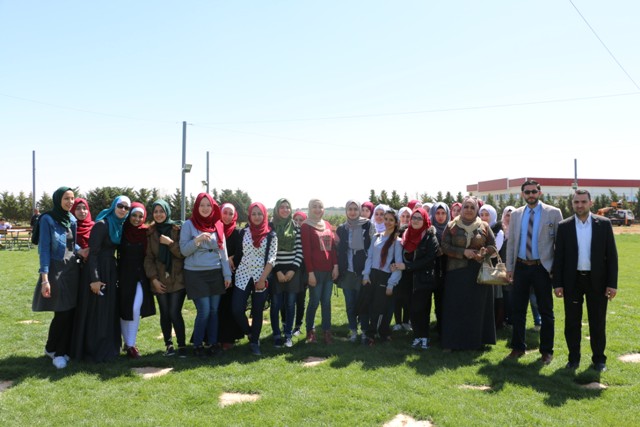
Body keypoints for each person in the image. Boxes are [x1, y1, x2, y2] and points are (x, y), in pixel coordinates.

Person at [553, 189, 618, 372]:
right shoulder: (564, 226)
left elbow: (612, 256)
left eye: (583, 201)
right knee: (572, 322)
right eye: (576, 202)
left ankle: (599, 360)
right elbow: (559, 258)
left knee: (597, 322)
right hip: (572, 281)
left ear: (591, 203)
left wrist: (612, 284)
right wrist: (558, 283)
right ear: (572, 204)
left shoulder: (603, 224)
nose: (579, 205)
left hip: (597, 281)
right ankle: (573, 359)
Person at [505, 179, 562, 364]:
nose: (531, 195)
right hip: (521, 267)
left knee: (546, 311)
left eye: (534, 191)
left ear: (540, 192)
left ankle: (546, 351)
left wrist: (555, 269)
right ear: (523, 194)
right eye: (527, 192)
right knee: (518, 310)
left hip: (542, 268)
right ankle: (517, 347)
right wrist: (510, 268)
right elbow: (512, 242)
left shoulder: (553, 213)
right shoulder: (516, 214)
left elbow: (560, 244)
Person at [73, 195, 130, 362]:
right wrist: (95, 279)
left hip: (110, 271)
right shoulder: (102, 225)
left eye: (126, 208)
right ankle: (94, 351)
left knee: (107, 310)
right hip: (97, 271)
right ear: (114, 206)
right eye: (120, 206)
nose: (123, 210)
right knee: (96, 311)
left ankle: (108, 349)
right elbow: (93, 254)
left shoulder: (119, 225)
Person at [440, 196, 497, 351]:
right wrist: (463, 252)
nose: (469, 210)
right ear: (461, 208)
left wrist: (482, 253)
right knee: (455, 308)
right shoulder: (452, 225)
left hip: (478, 273)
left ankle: (476, 342)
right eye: (466, 207)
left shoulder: (484, 226)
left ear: (477, 209)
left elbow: (493, 246)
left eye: (472, 207)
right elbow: (444, 246)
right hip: (456, 272)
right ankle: (452, 342)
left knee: (476, 308)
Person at [32, 187, 79, 369]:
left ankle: (53, 348)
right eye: (66, 198)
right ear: (58, 199)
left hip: (72, 270)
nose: (70, 202)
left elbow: (72, 245)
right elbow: (44, 249)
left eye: (72, 198)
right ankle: (57, 353)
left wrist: (82, 250)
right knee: (62, 311)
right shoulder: (48, 219)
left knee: (70, 311)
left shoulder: (71, 219)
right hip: (55, 270)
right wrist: (45, 279)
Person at [180, 193, 232, 357]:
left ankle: (213, 343)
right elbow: (184, 251)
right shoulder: (188, 225)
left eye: (208, 205)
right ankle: (197, 345)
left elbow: (223, 251)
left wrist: (227, 274)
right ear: (196, 207)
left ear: (213, 207)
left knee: (214, 310)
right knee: (204, 311)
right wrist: (197, 240)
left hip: (215, 272)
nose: (205, 208)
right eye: (201, 205)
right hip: (195, 273)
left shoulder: (218, 224)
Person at [232, 202, 277, 355]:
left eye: (260, 214)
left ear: (264, 215)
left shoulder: (271, 235)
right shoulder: (243, 233)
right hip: (243, 275)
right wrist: (231, 259)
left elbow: (271, 259)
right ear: (249, 216)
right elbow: (239, 253)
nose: (257, 217)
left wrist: (263, 279)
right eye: (254, 214)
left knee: (257, 311)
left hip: (261, 277)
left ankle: (255, 342)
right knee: (237, 309)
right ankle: (249, 332)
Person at [144, 200, 187, 357]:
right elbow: (149, 258)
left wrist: (170, 243)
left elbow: (183, 253)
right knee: (165, 312)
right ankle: (169, 345)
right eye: (156, 211)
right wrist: (153, 279)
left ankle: (182, 345)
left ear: (167, 212)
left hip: (177, 278)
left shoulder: (177, 229)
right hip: (160, 279)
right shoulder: (151, 232)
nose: (159, 214)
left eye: (161, 211)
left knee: (174, 312)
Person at [394, 207, 439, 350]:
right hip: (407, 279)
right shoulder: (405, 234)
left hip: (423, 279)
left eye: (420, 218)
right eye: (414, 217)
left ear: (425, 220)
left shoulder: (430, 237)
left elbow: (429, 259)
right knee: (412, 309)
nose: (416, 221)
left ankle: (424, 336)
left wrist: (408, 266)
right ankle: (416, 336)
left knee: (422, 309)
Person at [118, 202, 156, 358]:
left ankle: (131, 344)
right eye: (134, 215)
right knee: (124, 309)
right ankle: (128, 345)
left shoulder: (147, 232)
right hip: (124, 275)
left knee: (135, 308)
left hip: (141, 275)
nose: (137, 219)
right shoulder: (121, 230)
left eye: (141, 216)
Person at [361, 209, 403, 345]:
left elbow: (398, 264)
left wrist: (391, 283)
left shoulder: (397, 242)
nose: (388, 222)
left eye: (391, 220)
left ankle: (374, 335)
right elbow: (370, 257)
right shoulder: (376, 237)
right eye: (386, 219)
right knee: (370, 305)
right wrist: (366, 274)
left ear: (396, 223)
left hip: (385, 277)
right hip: (373, 275)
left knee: (380, 308)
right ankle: (377, 332)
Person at [301, 198, 338, 344]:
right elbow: (306, 252)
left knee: (326, 302)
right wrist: (310, 273)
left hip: (328, 271)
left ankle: (327, 331)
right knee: (314, 301)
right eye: (314, 206)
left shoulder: (327, 224)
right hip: (315, 271)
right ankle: (310, 331)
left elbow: (332, 248)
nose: (317, 209)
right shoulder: (306, 226)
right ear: (310, 209)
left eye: (320, 207)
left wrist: (335, 266)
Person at [270, 198, 303, 348]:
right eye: (282, 207)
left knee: (290, 305)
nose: (285, 210)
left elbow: (299, 251)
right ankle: (277, 335)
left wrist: (292, 270)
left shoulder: (296, 226)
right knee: (276, 304)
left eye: (287, 207)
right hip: (276, 271)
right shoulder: (271, 227)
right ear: (277, 209)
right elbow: (270, 251)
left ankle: (288, 334)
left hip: (292, 272)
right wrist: (277, 270)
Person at [336, 200, 371, 342]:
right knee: (350, 305)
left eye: (355, 209)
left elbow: (371, 250)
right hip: (347, 273)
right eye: (350, 209)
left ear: (359, 210)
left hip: (362, 272)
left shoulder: (367, 225)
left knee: (363, 304)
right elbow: (339, 250)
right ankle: (353, 331)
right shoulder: (342, 228)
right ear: (346, 211)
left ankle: (364, 331)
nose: (352, 212)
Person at [217, 203, 244, 350]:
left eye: (230, 214)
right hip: (215, 273)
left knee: (228, 306)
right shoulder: (214, 229)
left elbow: (241, 251)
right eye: (225, 212)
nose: (227, 216)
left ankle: (228, 338)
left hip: (232, 275)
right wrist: (225, 259)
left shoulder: (238, 232)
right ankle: (214, 337)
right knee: (216, 307)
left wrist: (232, 257)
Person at [479, 204, 506, 329]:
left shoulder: (498, 231)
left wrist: (480, 251)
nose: (484, 217)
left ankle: (496, 323)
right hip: (480, 266)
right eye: (482, 214)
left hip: (493, 268)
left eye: (487, 215)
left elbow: (495, 250)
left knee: (495, 296)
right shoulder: (477, 228)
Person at [429, 202, 450, 338]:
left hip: (449, 270)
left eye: (443, 213)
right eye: (437, 213)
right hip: (433, 270)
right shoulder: (430, 230)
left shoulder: (452, 229)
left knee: (446, 300)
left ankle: (446, 328)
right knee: (437, 299)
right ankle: (438, 328)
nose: (440, 216)